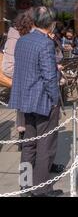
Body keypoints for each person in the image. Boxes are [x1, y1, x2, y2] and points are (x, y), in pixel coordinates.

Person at [8, 6, 62, 197]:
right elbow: (49, 76)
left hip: (24, 98)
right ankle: (42, 189)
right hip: (42, 100)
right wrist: (55, 99)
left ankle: (25, 185)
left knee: (28, 144)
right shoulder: (45, 43)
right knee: (45, 145)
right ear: (52, 24)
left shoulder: (22, 40)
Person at [2, 9, 34, 142]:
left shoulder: (31, 36)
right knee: (28, 135)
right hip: (25, 88)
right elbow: (8, 67)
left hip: (31, 90)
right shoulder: (15, 37)